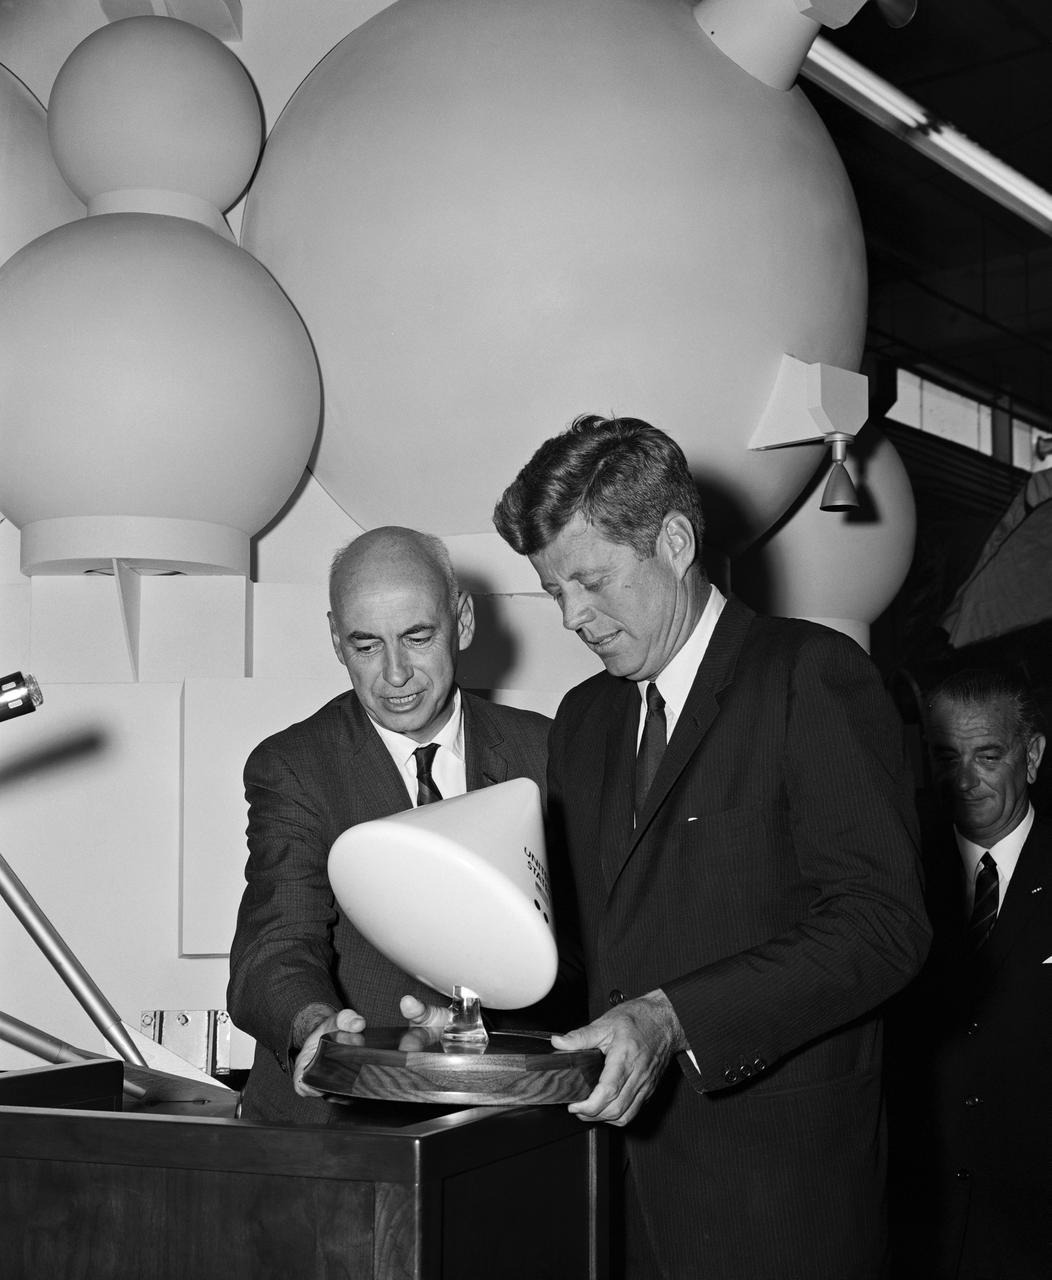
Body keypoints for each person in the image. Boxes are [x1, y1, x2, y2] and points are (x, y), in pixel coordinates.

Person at [492, 414, 931, 1280]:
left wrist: (674, 1017)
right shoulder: (584, 720)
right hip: (612, 1197)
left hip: (775, 1203)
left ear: (677, 541)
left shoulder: (811, 674)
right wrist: (482, 1004)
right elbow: (592, 951)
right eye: (553, 591)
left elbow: (885, 926)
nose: (573, 616)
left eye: (591, 580)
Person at [227, 526, 566, 1124]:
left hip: (502, 1124)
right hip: (340, 1126)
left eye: (417, 636)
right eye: (366, 645)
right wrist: (318, 1029)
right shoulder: (294, 768)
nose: (396, 674)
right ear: (335, 638)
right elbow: (275, 942)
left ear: (461, 622)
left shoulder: (548, 751)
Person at [886, 666, 1051, 1279]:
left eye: (987, 756)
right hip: (919, 1222)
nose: (963, 780)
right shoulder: (894, 875)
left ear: (1030, 756)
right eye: (944, 756)